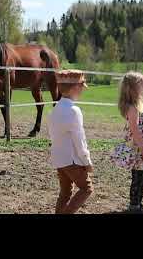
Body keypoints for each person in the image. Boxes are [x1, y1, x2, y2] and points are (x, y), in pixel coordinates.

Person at [111, 71, 143, 212]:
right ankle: (134, 205)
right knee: (142, 176)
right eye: (141, 86)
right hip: (138, 148)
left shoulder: (137, 104)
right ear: (132, 89)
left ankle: (136, 203)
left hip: (141, 147)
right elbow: (135, 131)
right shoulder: (132, 108)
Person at [47, 69, 93, 214]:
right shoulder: (74, 111)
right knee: (86, 188)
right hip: (71, 160)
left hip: (58, 159)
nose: (82, 91)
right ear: (74, 88)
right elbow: (80, 139)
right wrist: (87, 161)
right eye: (81, 87)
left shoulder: (54, 110)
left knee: (65, 192)